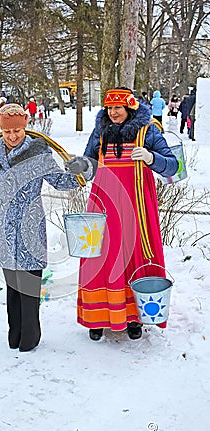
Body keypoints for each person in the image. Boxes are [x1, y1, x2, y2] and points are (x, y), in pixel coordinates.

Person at [0, 103, 94, 352]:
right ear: (0, 129)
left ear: (25, 124)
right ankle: (14, 333)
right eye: (7, 132)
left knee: (28, 289)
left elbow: (62, 181)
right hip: (3, 228)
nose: (13, 136)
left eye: (17, 130)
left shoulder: (39, 154)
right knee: (12, 289)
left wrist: (83, 170)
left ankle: (30, 337)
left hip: (30, 227)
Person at [66, 87, 178, 341]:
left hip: (137, 205)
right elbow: (89, 164)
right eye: (109, 108)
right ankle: (98, 317)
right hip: (104, 204)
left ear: (130, 108)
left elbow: (172, 165)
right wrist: (80, 167)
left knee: (135, 255)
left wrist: (151, 157)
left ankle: (134, 317)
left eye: (118, 108)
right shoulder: (100, 131)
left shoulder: (148, 130)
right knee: (100, 257)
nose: (113, 112)